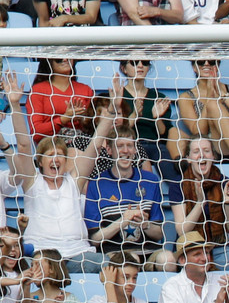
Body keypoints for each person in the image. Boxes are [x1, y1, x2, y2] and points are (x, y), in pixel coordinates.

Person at [4, 69, 111, 273]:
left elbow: (95, 145)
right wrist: (16, 105)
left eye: (60, 155)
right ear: (40, 161)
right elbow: (24, 146)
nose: (55, 159)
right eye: (50, 155)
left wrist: (112, 112)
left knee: (108, 265)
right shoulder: (32, 182)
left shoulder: (74, 182)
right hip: (42, 255)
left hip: (77, 254)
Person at [83, 124, 164, 259]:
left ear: (135, 150)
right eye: (120, 146)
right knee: (132, 259)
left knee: (167, 259)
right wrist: (122, 222)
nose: (125, 151)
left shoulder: (151, 181)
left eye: (130, 146)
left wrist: (145, 224)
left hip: (148, 251)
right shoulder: (96, 184)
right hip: (114, 253)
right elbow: (95, 239)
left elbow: (159, 234)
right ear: (109, 149)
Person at [169, 137, 229, 271]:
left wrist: (227, 202)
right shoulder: (178, 185)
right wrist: (200, 203)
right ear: (188, 158)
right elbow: (182, 230)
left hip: (218, 251)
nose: (202, 155)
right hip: (190, 250)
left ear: (213, 156)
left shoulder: (224, 182)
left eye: (206, 151)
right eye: (196, 152)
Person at [177, 58, 229, 162]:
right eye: (201, 61)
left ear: (217, 66)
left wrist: (224, 95)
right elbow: (198, 132)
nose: (206, 63)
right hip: (208, 149)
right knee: (213, 105)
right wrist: (210, 98)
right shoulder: (186, 97)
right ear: (194, 67)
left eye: (211, 61)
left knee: (214, 105)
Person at [158, 231, 229, 303]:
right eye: (197, 254)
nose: (205, 258)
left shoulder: (220, 281)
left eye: (206, 253)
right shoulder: (171, 287)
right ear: (182, 260)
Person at [118, 58, 181, 175]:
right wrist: (134, 115)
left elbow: (164, 133)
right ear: (123, 68)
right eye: (134, 62)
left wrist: (157, 118)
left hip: (155, 145)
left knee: (172, 175)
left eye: (145, 62)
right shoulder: (118, 96)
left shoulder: (157, 97)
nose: (140, 65)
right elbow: (116, 131)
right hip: (129, 145)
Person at [26, 57, 94, 143]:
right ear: (49, 62)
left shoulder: (85, 90)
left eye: (68, 56)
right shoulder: (37, 90)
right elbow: (36, 133)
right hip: (51, 144)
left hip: (82, 144)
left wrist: (82, 119)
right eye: (59, 58)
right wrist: (64, 119)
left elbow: (95, 127)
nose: (65, 59)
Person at [87, 251, 154, 303]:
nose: (131, 283)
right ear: (113, 276)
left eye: (134, 278)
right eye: (126, 277)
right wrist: (109, 284)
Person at [22, 248, 87, 303]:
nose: (32, 270)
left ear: (52, 269)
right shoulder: (28, 299)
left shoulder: (69, 299)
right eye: (32, 265)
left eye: (38, 265)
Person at [0, 226, 32, 303]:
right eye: (6, 245)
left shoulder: (22, 274)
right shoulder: (19, 277)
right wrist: (17, 281)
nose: (13, 250)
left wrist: (26, 287)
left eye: (16, 245)